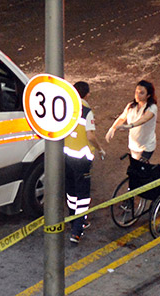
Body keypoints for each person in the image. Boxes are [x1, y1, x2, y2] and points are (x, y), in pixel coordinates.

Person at [64, 81, 106, 244]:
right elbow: (90, 136)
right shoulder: (87, 112)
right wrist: (100, 149)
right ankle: (77, 230)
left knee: (71, 191)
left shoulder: (65, 107)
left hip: (66, 156)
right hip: (82, 159)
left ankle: (74, 219)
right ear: (87, 94)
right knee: (83, 195)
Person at [105, 80, 158, 162]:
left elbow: (144, 119)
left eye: (141, 93)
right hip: (133, 146)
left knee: (140, 168)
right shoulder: (131, 106)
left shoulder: (152, 108)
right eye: (136, 92)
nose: (137, 95)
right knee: (136, 168)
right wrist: (113, 128)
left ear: (148, 95)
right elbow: (122, 118)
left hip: (146, 146)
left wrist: (130, 126)